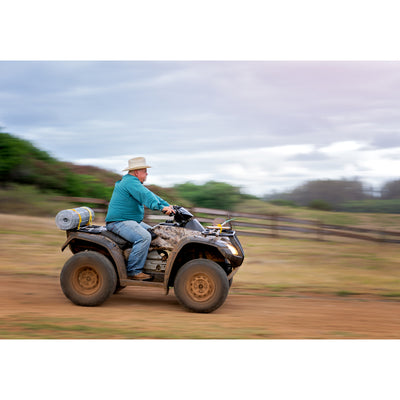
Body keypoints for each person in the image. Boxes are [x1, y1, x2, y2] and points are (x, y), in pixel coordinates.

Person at [105, 157, 174, 280]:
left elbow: (152, 195)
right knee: (144, 237)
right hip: (118, 222)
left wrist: (167, 205)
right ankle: (134, 271)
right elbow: (146, 196)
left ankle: (151, 264)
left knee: (155, 233)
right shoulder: (130, 182)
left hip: (128, 221)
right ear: (137, 172)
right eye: (145, 171)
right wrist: (161, 208)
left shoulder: (132, 182)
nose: (147, 174)